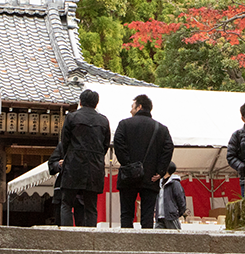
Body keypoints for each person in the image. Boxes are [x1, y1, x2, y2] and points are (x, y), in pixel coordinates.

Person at [113, 94, 174, 229]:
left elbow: (118, 143)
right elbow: (168, 148)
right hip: (151, 176)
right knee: (147, 216)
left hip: (128, 176)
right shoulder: (161, 129)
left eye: (132, 106)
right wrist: (160, 170)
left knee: (127, 214)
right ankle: (146, 246)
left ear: (139, 106)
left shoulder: (124, 124)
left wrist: (128, 164)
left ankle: (127, 246)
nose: (131, 110)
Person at [60, 89, 110, 227]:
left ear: (80, 102)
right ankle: (90, 237)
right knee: (91, 206)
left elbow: (64, 142)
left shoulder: (72, 117)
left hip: (73, 164)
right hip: (94, 166)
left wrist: (70, 155)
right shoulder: (103, 121)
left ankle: (66, 234)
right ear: (96, 103)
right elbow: (105, 145)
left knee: (66, 203)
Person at [155, 162, 186, 229]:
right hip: (159, 217)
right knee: (157, 237)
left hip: (171, 216)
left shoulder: (175, 183)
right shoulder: (159, 183)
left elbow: (180, 199)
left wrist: (177, 213)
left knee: (174, 237)